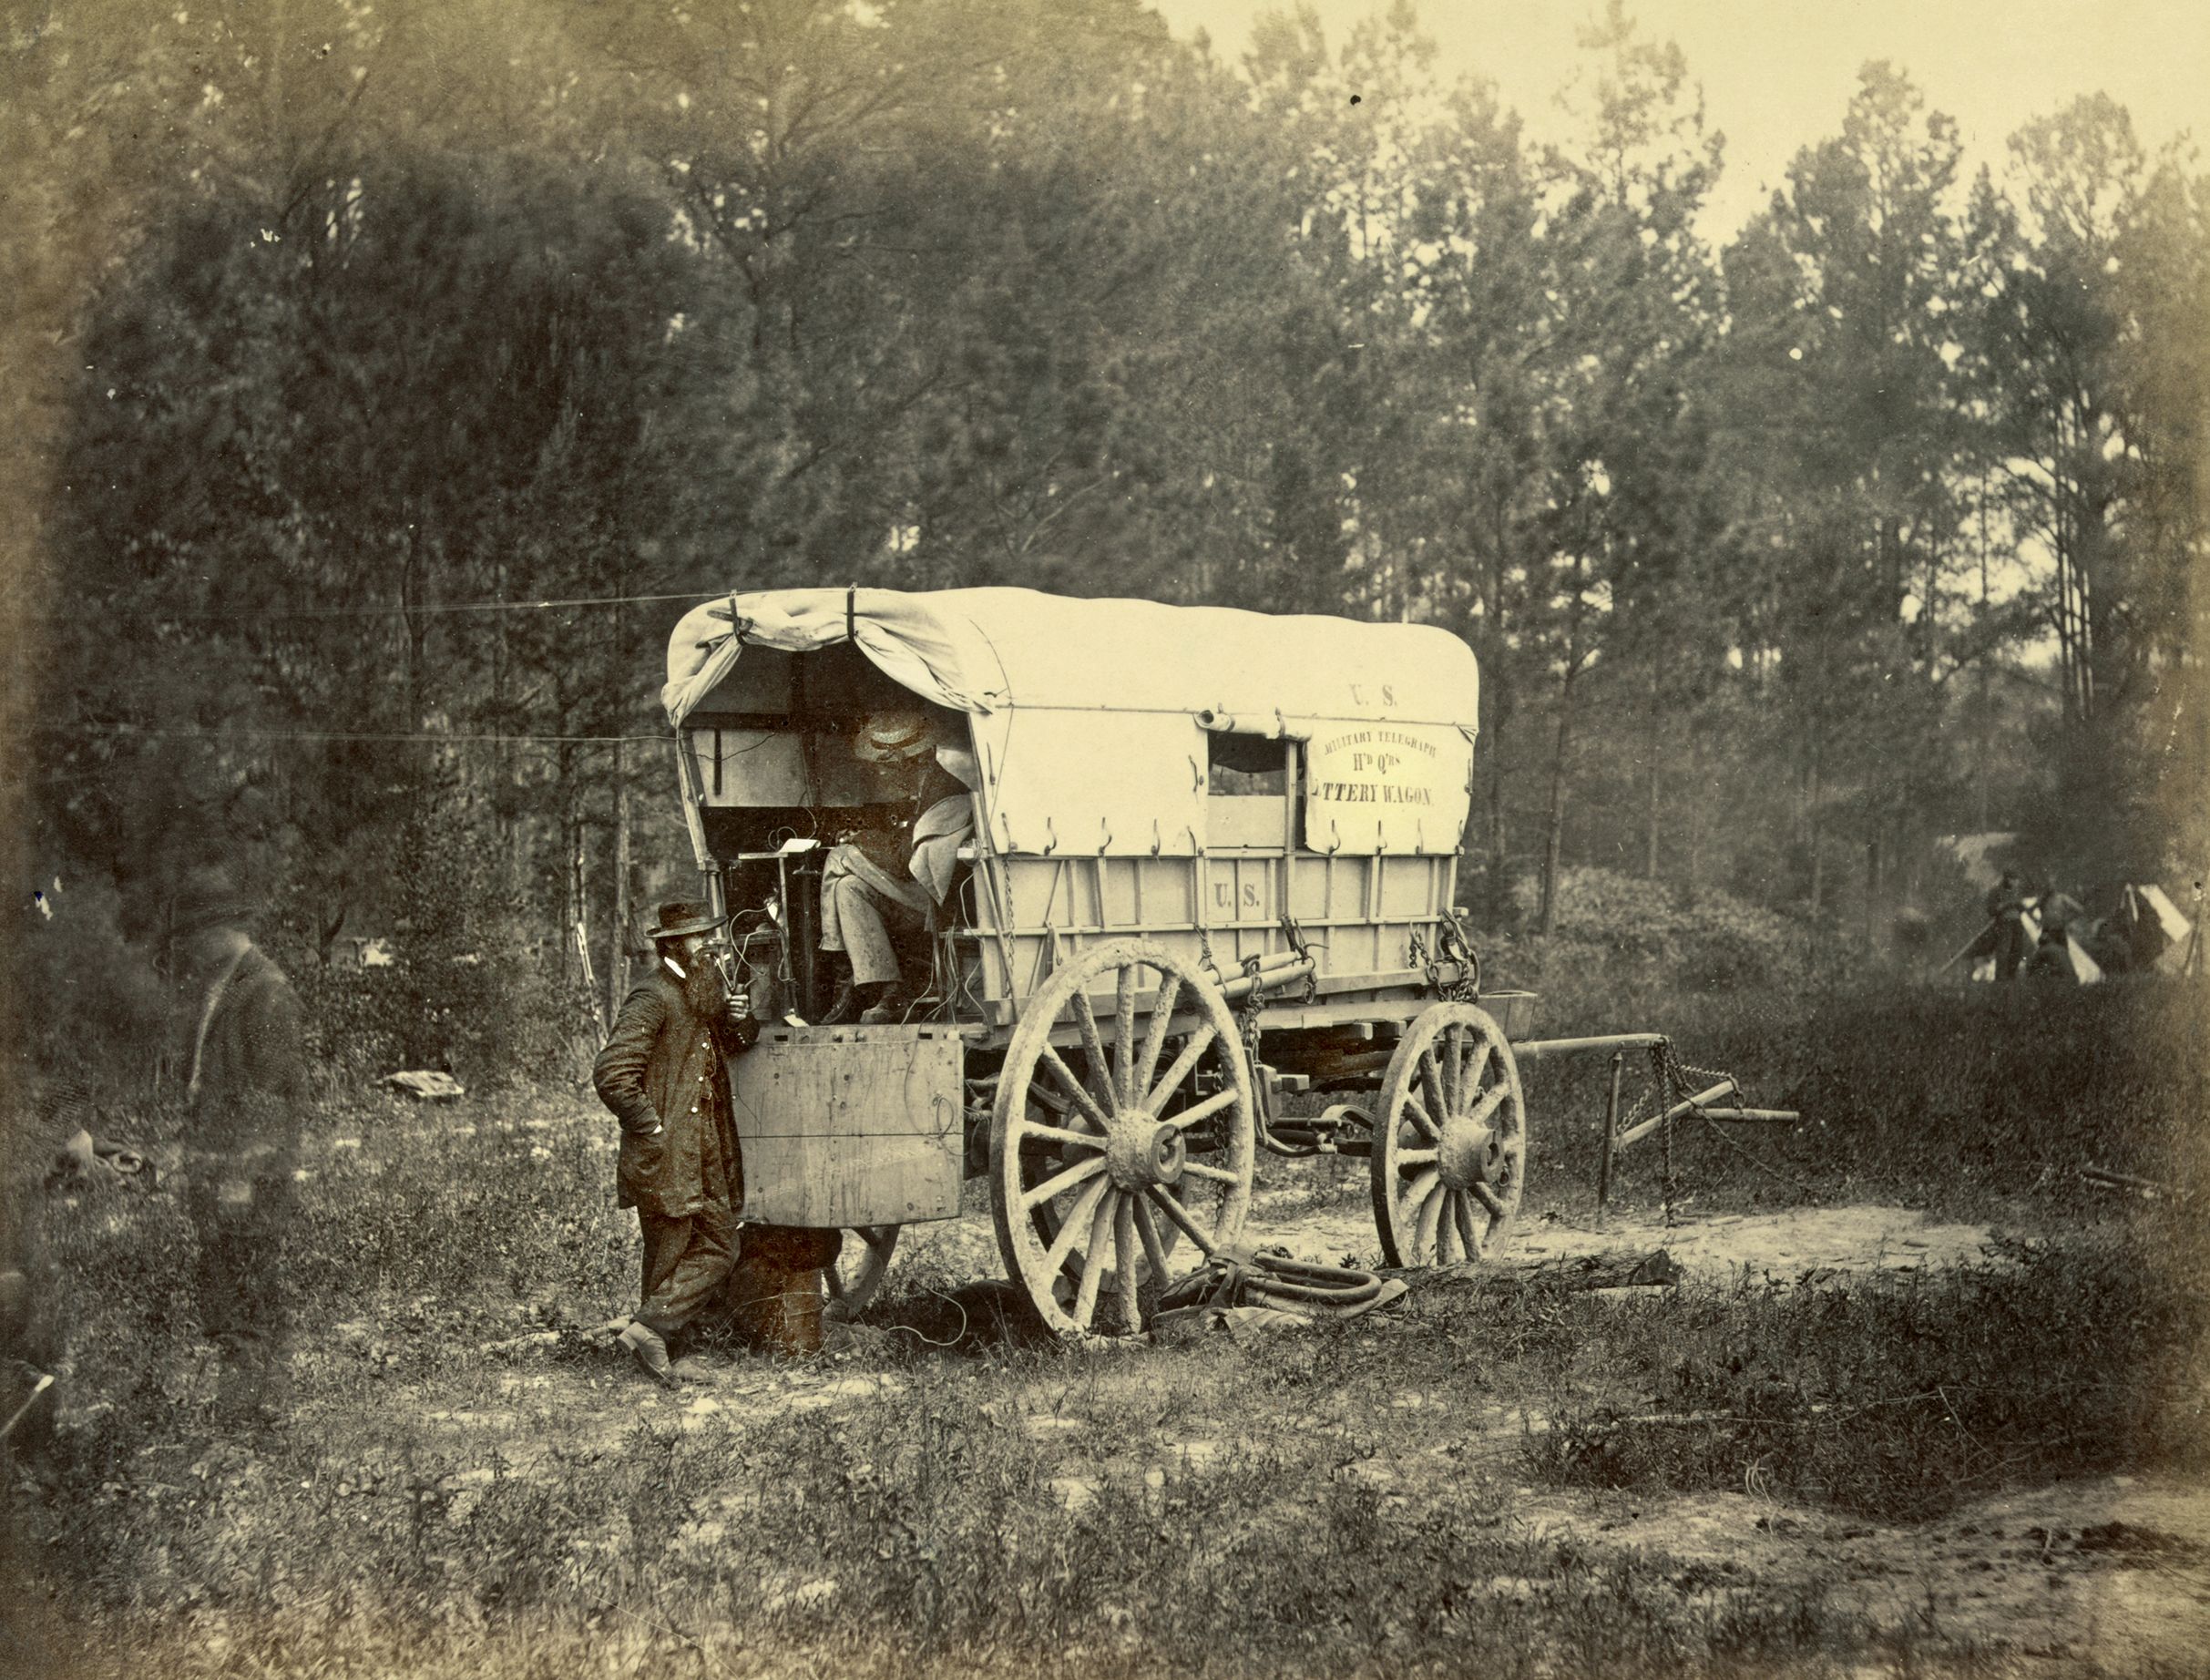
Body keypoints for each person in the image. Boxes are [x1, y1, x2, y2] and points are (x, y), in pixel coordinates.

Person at [592, 900, 759, 1384]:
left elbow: (734, 1044)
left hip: (703, 1142)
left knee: (719, 1243)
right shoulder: (653, 996)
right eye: (698, 937)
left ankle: (650, 1330)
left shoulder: (701, 990)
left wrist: (739, 1018)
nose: (710, 944)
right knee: (669, 1246)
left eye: (710, 934)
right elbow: (611, 1073)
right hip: (667, 1146)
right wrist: (652, 1126)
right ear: (673, 945)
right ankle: (661, 1348)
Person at [170, 865, 310, 1429]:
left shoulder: (267, 992)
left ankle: (260, 1408)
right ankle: (245, 1404)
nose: (190, 946)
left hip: (248, 1175)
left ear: (222, 929)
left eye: (196, 933)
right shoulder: (223, 985)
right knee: (227, 1286)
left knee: (252, 1285)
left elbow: (270, 1100)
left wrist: (236, 1179)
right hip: (220, 1169)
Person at [817, 710, 976, 1024]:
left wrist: (862, 839)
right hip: (925, 894)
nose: (885, 773)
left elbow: (905, 862)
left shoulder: (942, 787)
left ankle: (843, 974)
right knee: (849, 887)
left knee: (839, 857)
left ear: (909, 760)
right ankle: (889, 989)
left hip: (935, 902)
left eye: (888, 765)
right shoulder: (930, 783)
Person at [1983, 870, 2033, 982]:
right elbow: (1991, 910)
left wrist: (2021, 906)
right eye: (2014, 880)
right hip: (2004, 923)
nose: (2016, 883)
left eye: (2016, 880)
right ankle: (2000, 979)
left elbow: (2021, 908)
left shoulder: (2016, 892)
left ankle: (2011, 977)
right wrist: (2005, 905)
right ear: (2008, 879)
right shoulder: (1996, 891)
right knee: (2003, 951)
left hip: (2017, 923)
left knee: (2017, 950)